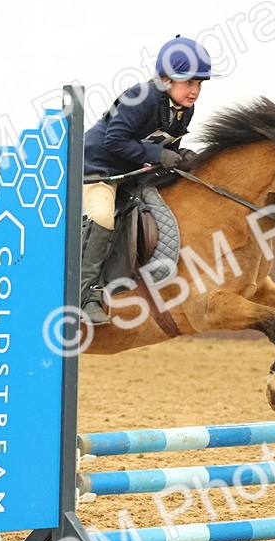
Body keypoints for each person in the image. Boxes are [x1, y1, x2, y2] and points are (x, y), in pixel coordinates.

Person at [79, 35, 214, 325]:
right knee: (103, 215)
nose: (195, 91)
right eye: (188, 82)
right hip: (96, 171)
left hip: (131, 174)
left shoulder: (184, 109)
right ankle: (84, 295)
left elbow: (166, 145)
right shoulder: (140, 97)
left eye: (199, 84)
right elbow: (115, 140)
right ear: (166, 79)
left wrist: (180, 157)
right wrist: (157, 154)